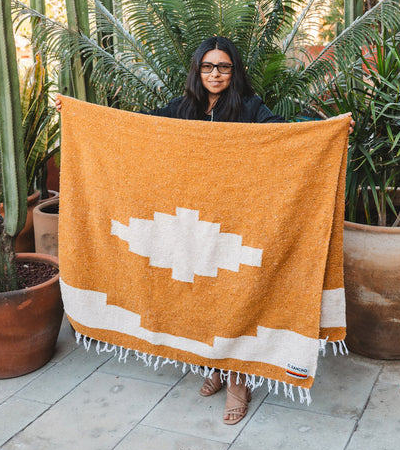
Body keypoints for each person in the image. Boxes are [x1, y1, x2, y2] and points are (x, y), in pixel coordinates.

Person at [55, 36, 351, 424]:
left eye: (224, 66)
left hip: (235, 224)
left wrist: (329, 132)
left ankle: (238, 381)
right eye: (208, 66)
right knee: (200, 296)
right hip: (186, 226)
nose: (215, 73)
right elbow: (135, 130)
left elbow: (285, 138)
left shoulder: (250, 108)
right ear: (197, 70)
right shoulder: (181, 108)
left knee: (233, 293)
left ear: (234, 71)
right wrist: (80, 115)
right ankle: (212, 364)